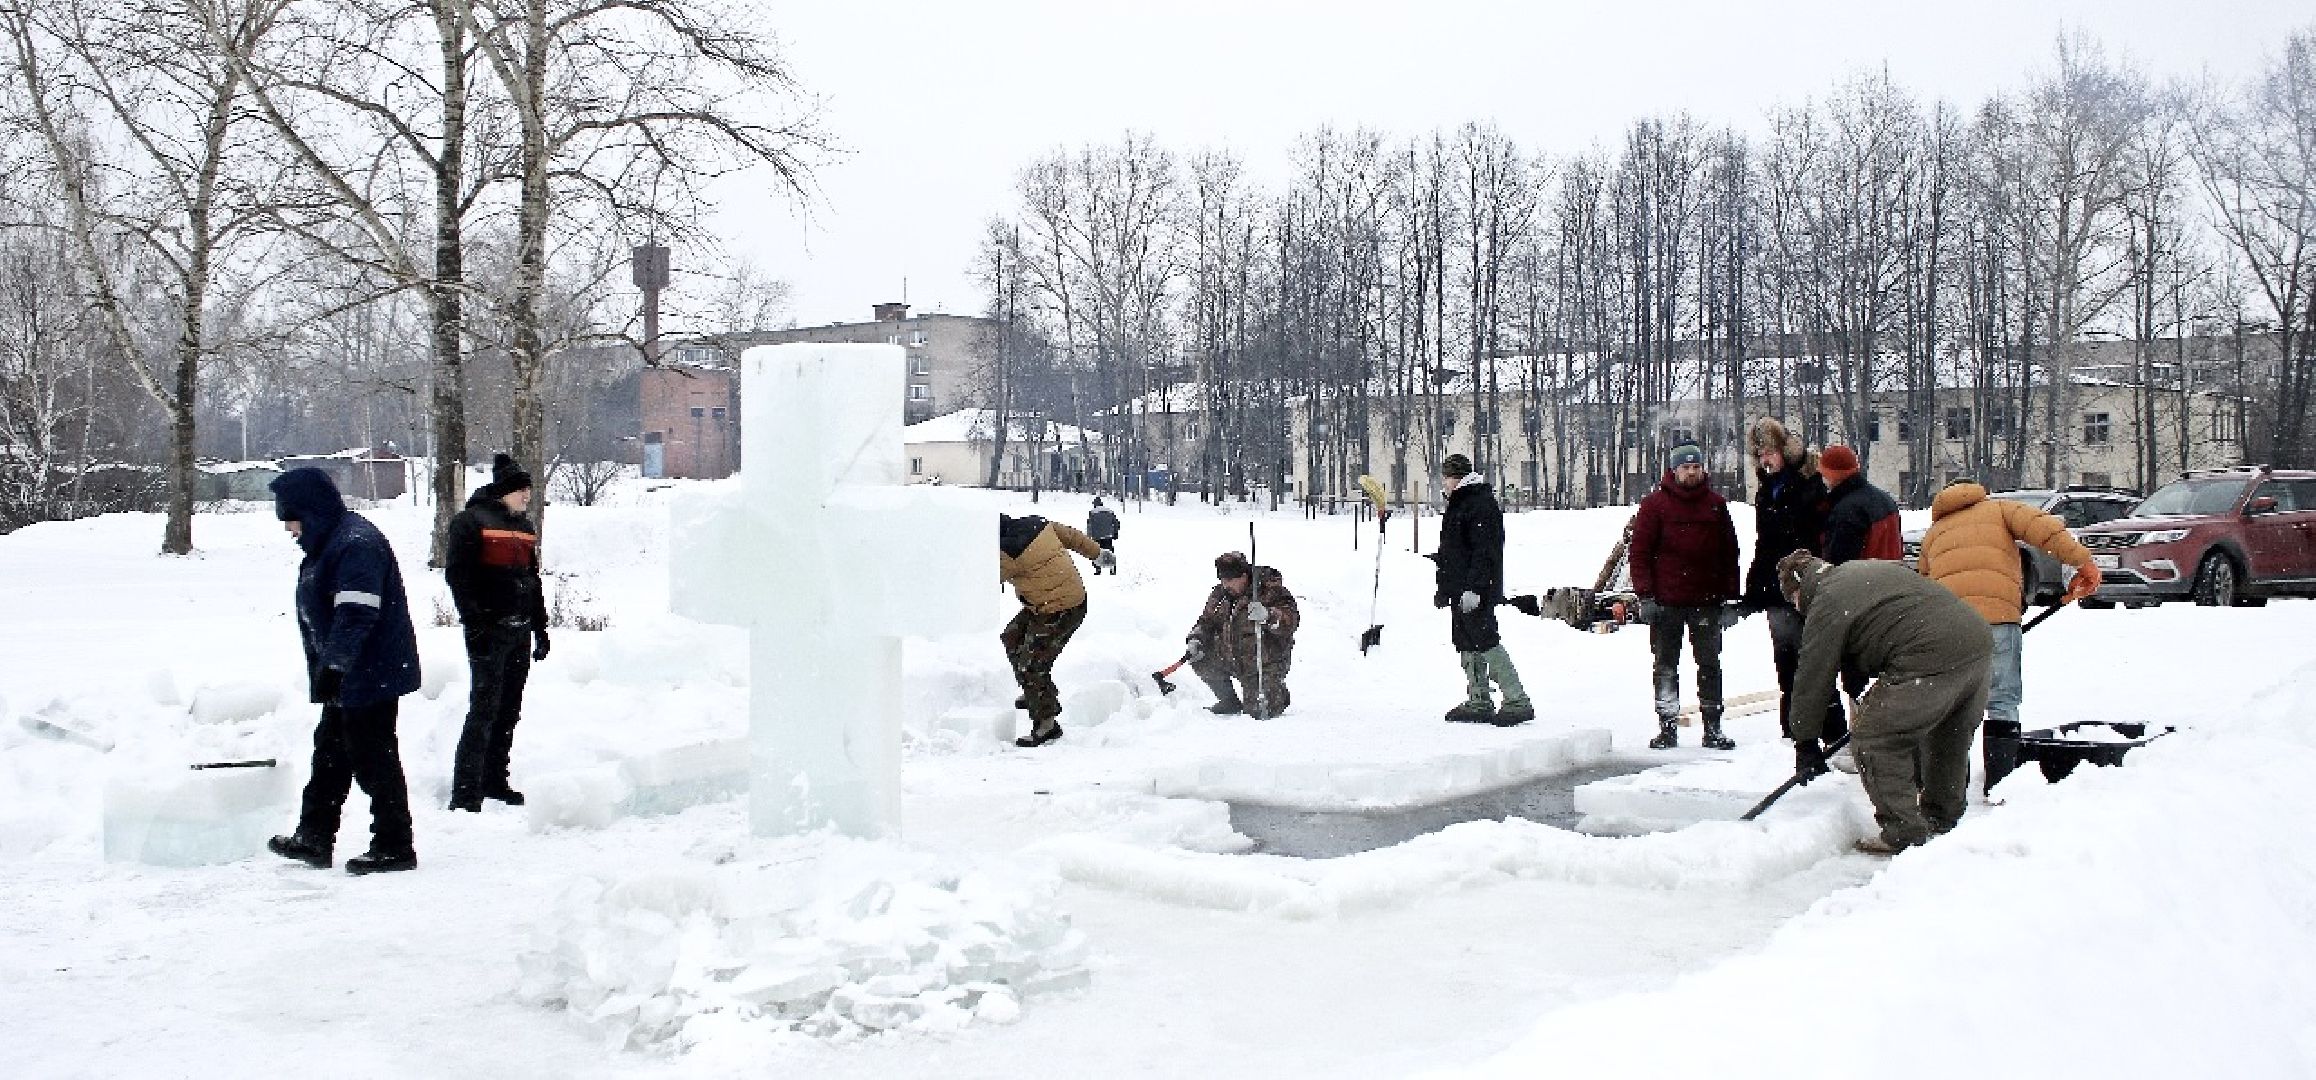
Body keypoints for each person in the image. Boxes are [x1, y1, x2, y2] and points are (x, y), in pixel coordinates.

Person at [1778, 551, 1993, 855]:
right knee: (1947, 735)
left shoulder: (1826, 600)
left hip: (1927, 654)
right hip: (1974, 642)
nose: (1796, 607)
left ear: (1799, 588)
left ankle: (1903, 831)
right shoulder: (1856, 571)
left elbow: (1812, 675)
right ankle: (1942, 817)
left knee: (1875, 738)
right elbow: (1885, 617)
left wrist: (1805, 740)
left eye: (1793, 600)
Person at [265, 467, 423, 875]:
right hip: (350, 671)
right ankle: (314, 837)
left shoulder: (355, 545)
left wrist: (335, 664)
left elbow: (356, 612)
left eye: (290, 518)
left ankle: (395, 845)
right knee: (331, 754)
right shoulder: (330, 542)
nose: (288, 529)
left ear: (311, 511)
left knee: (373, 756)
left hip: (370, 672)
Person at [1916, 479, 2103, 791]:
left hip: (1948, 626)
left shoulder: (1934, 534)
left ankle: (1946, 785)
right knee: (2001, 699)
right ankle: (1999, 783)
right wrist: (2083, 563)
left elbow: (1924, 586)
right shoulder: (2000, 509)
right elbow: (2045, 529)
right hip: (1997, 618)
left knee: (1950, 703)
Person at [444, 454, 550, 812]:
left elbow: (531, 580)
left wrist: (541, 628)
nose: (527, 497)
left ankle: (494, 779)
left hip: (519, 631)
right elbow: (458, 576)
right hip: (488, 632)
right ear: (504, 491)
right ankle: (465, 791)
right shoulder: (470, 522)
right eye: (522, 490)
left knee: (509, 709)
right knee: (484, 708)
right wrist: (475, 622)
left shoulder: (524, 526)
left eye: (528, 491)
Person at [1741, 419, 1845, 759]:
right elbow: (1765, 541)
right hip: (1777, 584)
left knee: (1814, 658)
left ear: (1784, 451)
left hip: (1808, 580)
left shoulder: (1810, 483)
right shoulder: (1766, 488)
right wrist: (1756, 584)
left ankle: (1831, 729)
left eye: (1769, 453)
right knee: (1785, 658)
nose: (1765, 461)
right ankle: (1792, 731)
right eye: (1760, 455)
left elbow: (1817, 535)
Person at [1629, 443, 1743, 750]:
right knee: (1665, 666)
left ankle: (1713, 728)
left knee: (1709, 665)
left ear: (1702, 469)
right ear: (1674, 470)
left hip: (1706, 603)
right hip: (1666, 604)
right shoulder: (1654, 506)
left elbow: (1729, 555)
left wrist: (1731, 599)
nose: (1691, 472)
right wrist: (1646, 596)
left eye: (1696, 467)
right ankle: (1667, 727)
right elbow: (1639, 553)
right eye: (1685, 468)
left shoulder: (1716, 505)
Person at [1433, 453, 1534, 725]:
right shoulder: (1460, 503)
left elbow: (1485, 551)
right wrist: (1444, 585)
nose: (1443, 483)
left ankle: (1517, 699)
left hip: (1476, 588)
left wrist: (1476, 588)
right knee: (1466, 640)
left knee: (1486, 639)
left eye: (1446, 478)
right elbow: (1454, 549)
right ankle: (1479, 699)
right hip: (1460, 587)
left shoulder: (1478, 503)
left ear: (1456, 478)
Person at [999, 513, 1103, 748]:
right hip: (1049, 602)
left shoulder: (1006, 554)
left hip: (1061, 609)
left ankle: (1047, 724)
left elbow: (981, 581)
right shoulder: (1037, 524)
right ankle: (1036, 693)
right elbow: (1073, 537)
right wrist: (1097, 553)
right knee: (1012, 637)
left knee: (1033, 665)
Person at [1185, 551, 1299, 718]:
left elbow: (1291, 621)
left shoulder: (1270, 590)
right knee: (1200, 657)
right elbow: (1206, 622)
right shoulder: (1220, 595)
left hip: (1264, 663)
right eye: (1222, 580)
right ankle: (1229, 701)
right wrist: (1196, 638)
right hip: (1232, 657)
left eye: (1230, 580)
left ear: (1244, 576)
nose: (1225, 585)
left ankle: (1276, 693)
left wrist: (1268, 615)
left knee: (1257, 713)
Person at [1817, 444, 1902, 563]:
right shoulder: (1885, 499)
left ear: (1832, 475)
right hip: (1889, 575)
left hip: (1862, 578)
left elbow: (1840, 564)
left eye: (1823, 474)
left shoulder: (1846, 510)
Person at [1085, 497, 1121, 575]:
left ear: (1095, 504)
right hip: (1108, 535)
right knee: (1110, 551)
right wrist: (1115, 533)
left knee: (1096, 552)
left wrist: (1089, 537)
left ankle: (1098, 569)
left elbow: (1089, 525)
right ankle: (1112, 568)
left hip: (1096, 536)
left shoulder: (1092, 512)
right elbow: (1116, 523)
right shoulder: (1110, 511)